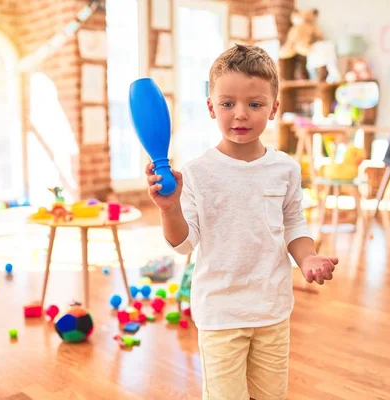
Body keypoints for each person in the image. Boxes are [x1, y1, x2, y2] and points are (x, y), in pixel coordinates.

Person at [146, 44, 338, 400]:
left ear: (274, 108)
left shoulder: (286, 169)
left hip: (272, 309)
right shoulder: (197, 174)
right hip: (221, 312)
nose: (240, 115)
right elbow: (184, 243)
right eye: (228, 103)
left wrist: (307, 257)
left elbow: (294, 224)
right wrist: (168, 209)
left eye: (254, 104)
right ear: (210, 107)